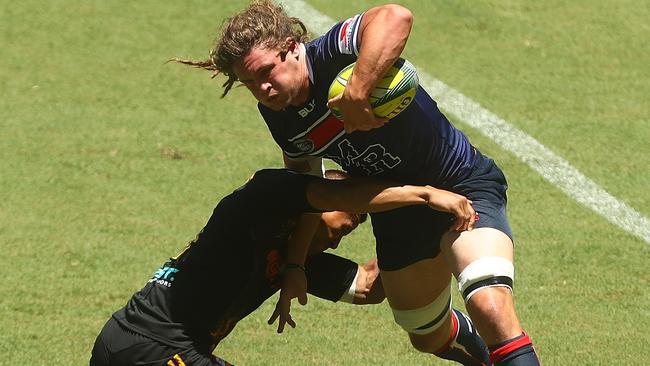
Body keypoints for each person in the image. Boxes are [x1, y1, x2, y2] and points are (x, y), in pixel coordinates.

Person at [173, 1, 542, 365]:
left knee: (487, 305)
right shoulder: (279, 116)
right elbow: (305, 192)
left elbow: (396, 16)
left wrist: (358, 91)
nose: (263, 89)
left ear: (291, 49)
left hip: (461, 182)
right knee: (425, 332)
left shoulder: (331, 54)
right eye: (250, 82)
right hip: (400, 214)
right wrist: (296, 265)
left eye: (267, 72)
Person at [90, 168, 478, 366]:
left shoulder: (295, 262)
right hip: (153, 345)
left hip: (132, 342)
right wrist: (422, 193)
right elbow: (304, 189)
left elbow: (369, 287)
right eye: (353, 216)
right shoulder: (253, 214)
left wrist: (428, 232)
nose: (345, 232)